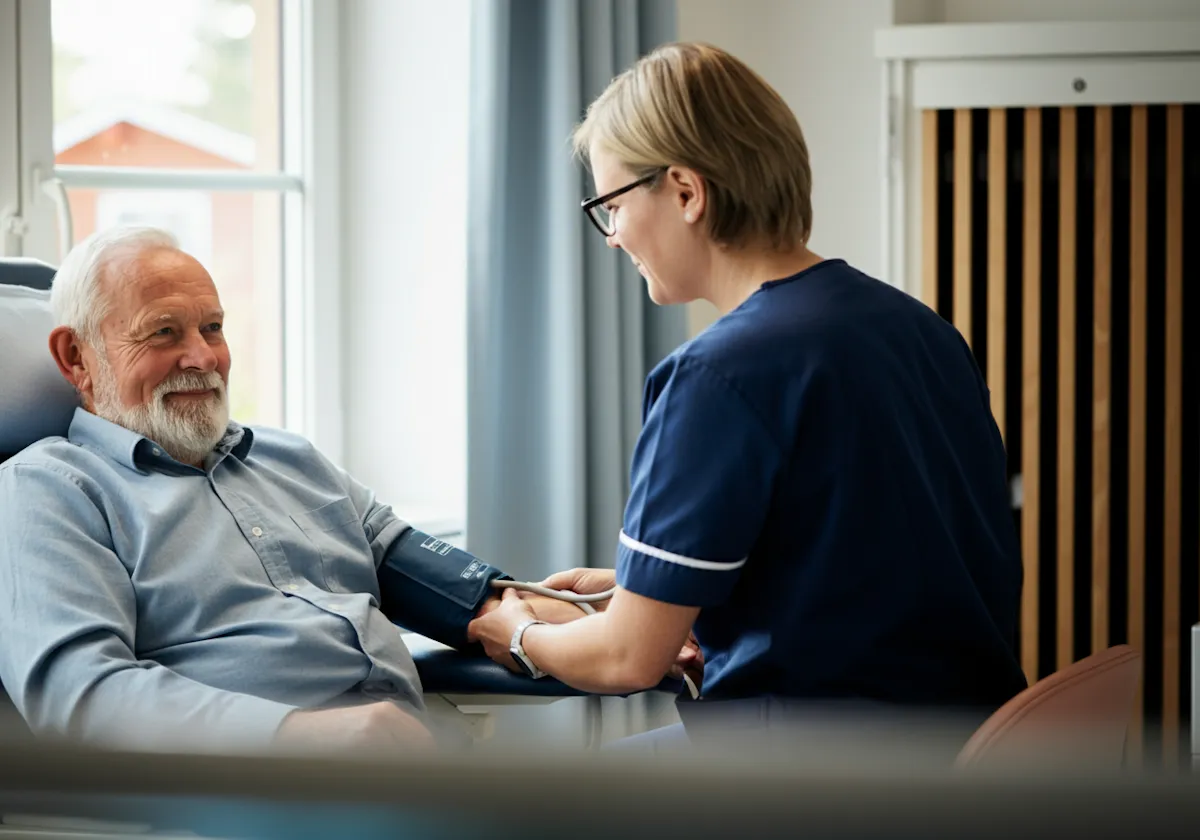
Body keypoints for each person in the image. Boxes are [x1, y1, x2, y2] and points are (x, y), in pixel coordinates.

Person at [467, 42, 1027, 754]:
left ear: (685, 191)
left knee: (517, 809)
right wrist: (645, 594)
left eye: (611, 205)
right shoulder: (920, 331)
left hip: (818, 777)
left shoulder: (714, 377)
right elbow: (881, 564)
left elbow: (625, 660)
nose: (612, 238)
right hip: (969, 755)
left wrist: (517, 631)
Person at [0, 226, 687, 755]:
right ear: (75, 357)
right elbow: (83, 696)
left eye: (212, 328)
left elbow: (466, 597)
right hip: (247, 791)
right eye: (164, 334)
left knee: (696, 782)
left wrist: (634, 632)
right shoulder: (49, 492)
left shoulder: (288, 459)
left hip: (403, 769)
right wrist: (302, 736)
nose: (204, 358)